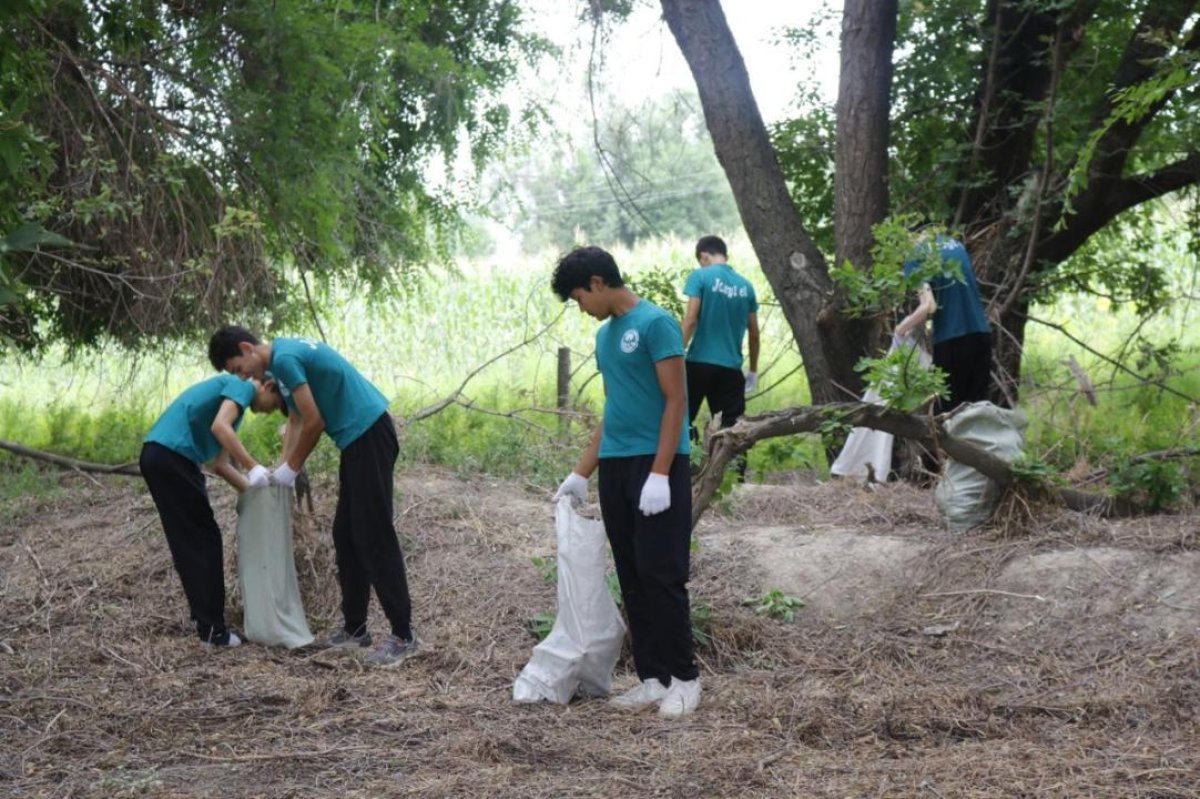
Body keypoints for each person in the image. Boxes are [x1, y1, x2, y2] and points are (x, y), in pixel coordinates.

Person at [207, 326, 417, 668]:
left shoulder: (286, 359)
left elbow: (315, 420)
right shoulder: (280, 362)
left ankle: (403, 635)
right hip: (356, 441)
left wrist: (292, 466)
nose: (242, 377)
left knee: (373, 534)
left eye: (238, 368)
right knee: (346, 535)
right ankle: (355, 629)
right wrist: (282, 470)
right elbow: (295, 417)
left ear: (247, 348)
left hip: (369, 434)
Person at [551, 246, 701, 718]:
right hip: (616, 464)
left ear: (598, 283)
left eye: (579, 298)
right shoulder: (604, 337)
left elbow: (676, 401)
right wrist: (582, 471)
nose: (581, 308)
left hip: (656, 465)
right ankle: (653, 678)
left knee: (662, 572)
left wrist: (660, 473)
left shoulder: (657, 324)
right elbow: (615, 408)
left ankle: (685, 679)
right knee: (632, 574)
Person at [140, 374, 285, 648]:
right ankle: (213, 633)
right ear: (267, 385)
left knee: (191, 541)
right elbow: (220, 428)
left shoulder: (232, 403)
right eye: (275, 403)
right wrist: (254, 467)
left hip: (159, 457)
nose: (270, 411)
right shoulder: (242, 386)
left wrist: (259, 497)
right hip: (172, 457)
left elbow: (219, 464)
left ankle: (205, 623)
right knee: (203, 541)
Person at [681, 235, 759, 474]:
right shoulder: (745, 286)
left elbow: (691, 319)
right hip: (730, 369)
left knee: (682, 419)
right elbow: (754, 333)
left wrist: (673, 354)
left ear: (704, 256)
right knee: (732, 427)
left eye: (700, 260)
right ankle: (733, 479)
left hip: (697, 364)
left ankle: (686, 471)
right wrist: (753, 370)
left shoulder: (700, 277)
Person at [894, 233, 991, 412]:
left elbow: (928, 306)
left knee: (948, 417)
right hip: (981, 335)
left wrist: (901, 329)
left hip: (951, 341)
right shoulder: (956, 245)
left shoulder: (915, 255)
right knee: (979, 414)